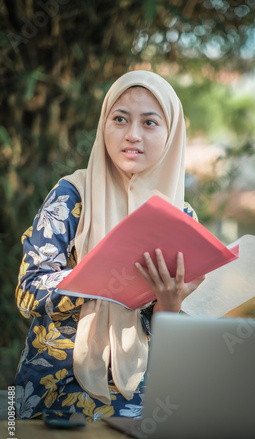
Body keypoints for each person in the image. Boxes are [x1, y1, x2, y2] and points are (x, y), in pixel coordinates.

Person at [15, 70, 205, 421]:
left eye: (150, 123)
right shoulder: (72, 196)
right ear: (104, 125)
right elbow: (28, 293)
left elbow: (175, 342)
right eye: (120, 119)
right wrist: (97, 277)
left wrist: (170, 302)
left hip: (143, 396)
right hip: (56, 387)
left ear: (172, 133)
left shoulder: (182, 217)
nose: (132, 135)